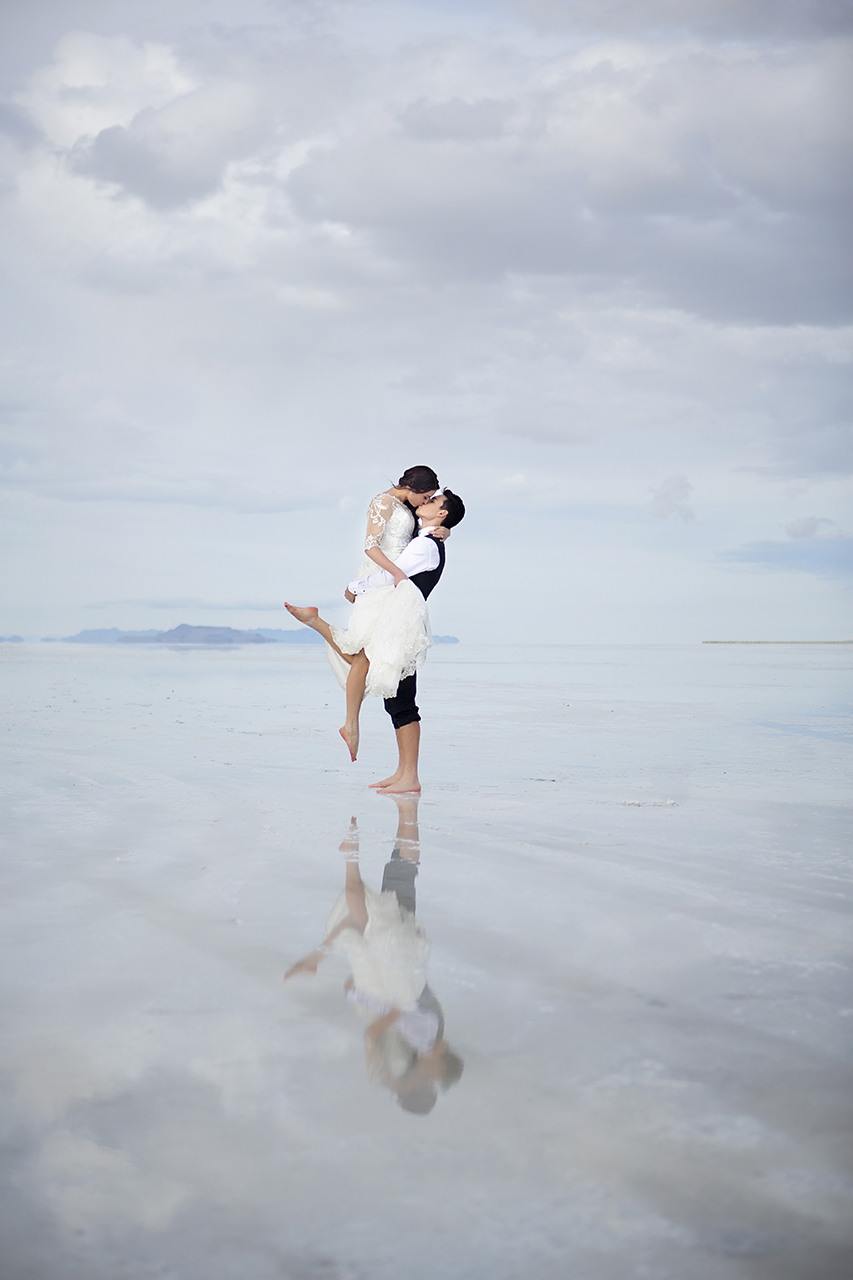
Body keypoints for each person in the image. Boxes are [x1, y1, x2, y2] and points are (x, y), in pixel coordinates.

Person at [284, 802, 464, 1115]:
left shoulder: (425, 1038)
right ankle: (398, 816)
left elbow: (394, 1013)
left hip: (394, 957)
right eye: (432, 1073)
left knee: (388, 885)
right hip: (397, 950)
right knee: (384, 890)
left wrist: (361, 994)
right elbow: (394, 1011)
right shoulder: (426, 1035)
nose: (428, 1073)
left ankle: (395, 819)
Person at [285, 475, 464, 770]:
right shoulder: (401, 514)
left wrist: (357, 586)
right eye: (428, 496)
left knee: (380, 675)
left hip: (395, 600)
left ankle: (388, 759)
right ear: (416, 489)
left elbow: (401, 569)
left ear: (441, 513)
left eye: (433, 499)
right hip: (392, 598)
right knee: (373, 668)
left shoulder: (425, 542)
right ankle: (398, 767)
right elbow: (375, 547)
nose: (427, 501)